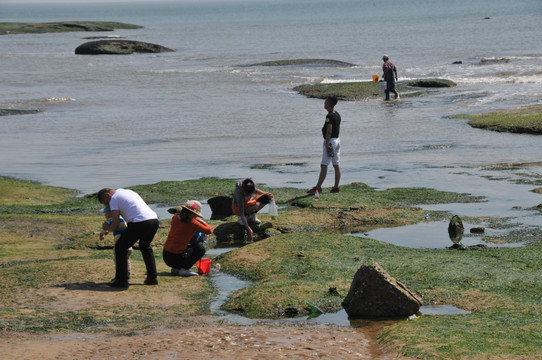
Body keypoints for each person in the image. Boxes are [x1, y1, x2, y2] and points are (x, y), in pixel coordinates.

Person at [97, 188, 160, 288]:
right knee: (145, 246)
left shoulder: (114, 199)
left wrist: (108, 228)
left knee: (120, 247)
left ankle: (121, 280)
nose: (108, 205)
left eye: (106, 203)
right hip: (153, 220)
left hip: (139, 222)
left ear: (107, 195)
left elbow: (116, 222)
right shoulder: (129, 192)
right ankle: (152, 278)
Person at [163, 200, 213, 277]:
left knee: (186, 244)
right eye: (195, 214)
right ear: (192, 213)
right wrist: (202, 222)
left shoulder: (175, 217)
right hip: (177, 257)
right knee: (200, 248)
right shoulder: (192, 223)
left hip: (166, 256)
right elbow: (209, 230)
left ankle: (176, 268)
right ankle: (185, 269)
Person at [307, 96, 341, 194]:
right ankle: (336, 187)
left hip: (330, 141)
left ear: (329, 104)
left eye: (325, 102)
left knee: (324, 164)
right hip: (337, 140)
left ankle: (318, 187)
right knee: (336, 164)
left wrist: (327, 144)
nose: (324, 104)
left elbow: (329, 131)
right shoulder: (337, 114)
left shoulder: (329, 116)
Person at [99, 206, 133, 279]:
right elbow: (116, 226)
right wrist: (109, 230)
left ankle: (121, 276)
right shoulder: (122, 218)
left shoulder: (112, 219)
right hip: (128, 243)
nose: (105, 216)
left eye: (105, 213)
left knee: (118, 260)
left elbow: (104, 227)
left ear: (110, 213)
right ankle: (127, 274)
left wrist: (101, 235)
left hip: (120, 244)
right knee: (126, 260)